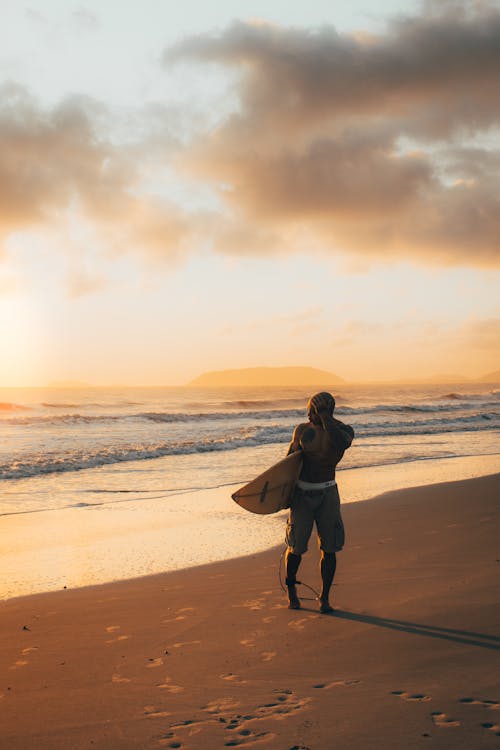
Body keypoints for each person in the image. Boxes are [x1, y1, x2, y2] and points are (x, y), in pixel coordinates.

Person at [285, 391, 354, 614]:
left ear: (324, 412)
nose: (307, 415)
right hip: (302, 497)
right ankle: (291, 590)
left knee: (330, 547)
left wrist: (325, 419)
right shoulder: (303, 431)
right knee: (296, 547)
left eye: (312, 411)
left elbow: (341, 444)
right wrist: (283, 496)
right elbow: (287, 464)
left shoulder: (343, 432)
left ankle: (324, 598)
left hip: (328, 495)